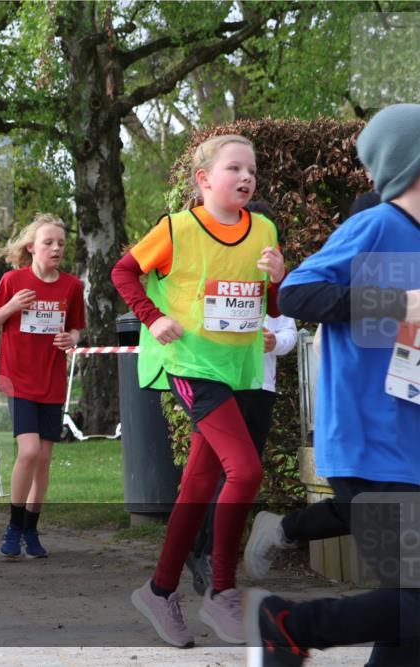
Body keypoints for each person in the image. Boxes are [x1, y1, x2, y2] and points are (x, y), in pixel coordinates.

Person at [244, 103, 420, 667]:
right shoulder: (376, 225)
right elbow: (297, 293)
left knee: (410, 621)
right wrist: (396, 303)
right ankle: (290, 624)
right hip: (371, 448)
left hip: (408, 452)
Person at [111, 134, 285, 647]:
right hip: (190, 364)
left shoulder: (266, 229)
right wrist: (153, 316)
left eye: (252, 169)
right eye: (235, 168)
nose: (247, 177)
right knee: (246, 469)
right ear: (204, 180)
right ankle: (223, 592)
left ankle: (160, 590)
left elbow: (271, 306)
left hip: (239, 367)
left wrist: (279, 278)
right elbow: (124, 271)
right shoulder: (177, 229)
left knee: (198, 486)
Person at [183, 201, 298, 596]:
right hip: (220, 388)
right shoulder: (212, 268)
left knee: (241, 477)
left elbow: (289, 333)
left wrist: (273, 342)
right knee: (221, 474)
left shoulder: (276, 276)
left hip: (260, 388)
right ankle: (204, 554)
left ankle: (211, 554)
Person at [0, 213, 86, 561]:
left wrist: (69, 338)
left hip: (51, 380)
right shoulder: (13, 280)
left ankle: (31, 528)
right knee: (28, 452)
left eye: (61, 243)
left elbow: (76, 330)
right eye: (48, 242)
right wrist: (12, 306)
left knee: (43, 460)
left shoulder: (72, 286)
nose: (56, 248)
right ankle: (13, 526)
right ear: (31, 247)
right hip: (19, 378)